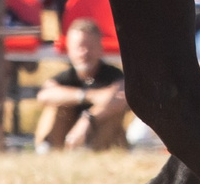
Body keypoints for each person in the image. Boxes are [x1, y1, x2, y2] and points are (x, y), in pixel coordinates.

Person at [35, 17, 129, 152]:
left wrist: (88, 119)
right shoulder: (64, 78)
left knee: (113, 112)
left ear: (100, 48)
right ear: (69, 50)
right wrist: (87, 96)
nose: (84, 53)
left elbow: (122, 97)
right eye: (79, 47)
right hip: (66, 140)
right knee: (55, 107)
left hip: (101, 141)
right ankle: (47, 150)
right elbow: (44, 96)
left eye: (89, 47)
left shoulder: (114, 75)